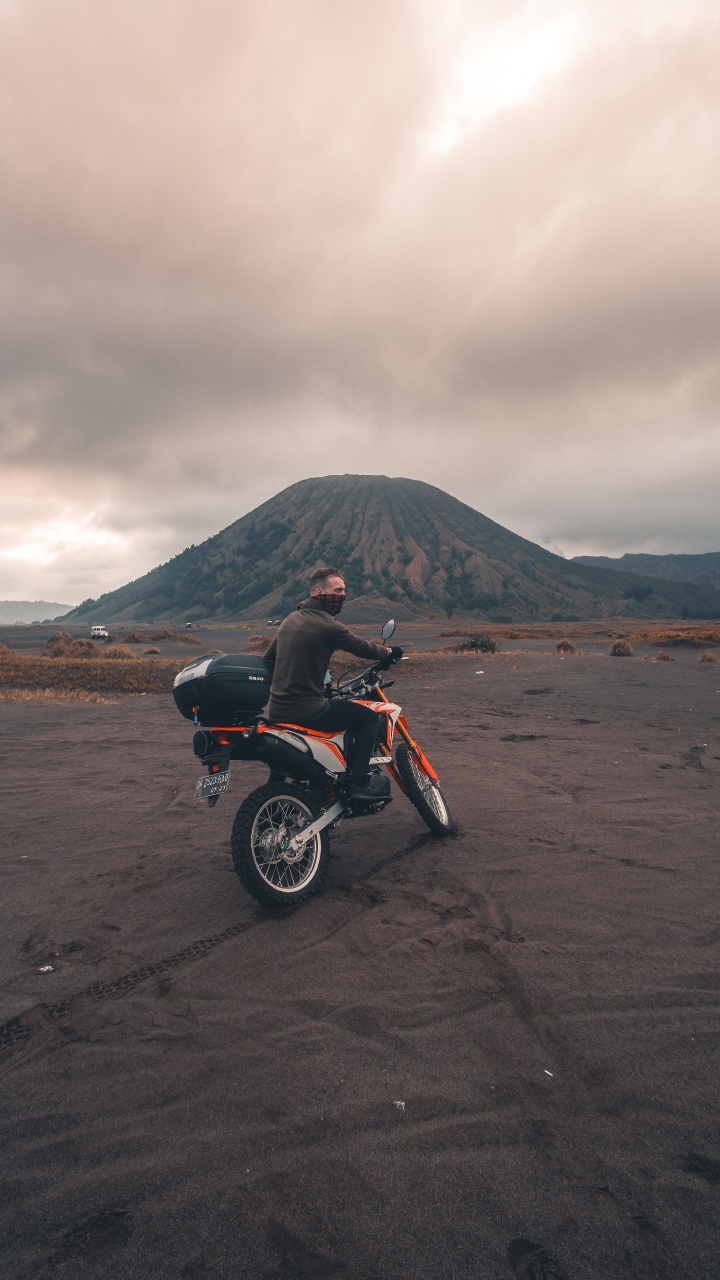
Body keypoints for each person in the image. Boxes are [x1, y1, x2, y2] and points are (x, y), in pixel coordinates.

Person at [262, 567, 403, 800]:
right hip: (307, 709)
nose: (343, 596)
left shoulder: (289, 620)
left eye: (344, 591)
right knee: (368, 719)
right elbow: (363, 648)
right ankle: (359, 785)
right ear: (318, 592)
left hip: (277, 710)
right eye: (338, 590)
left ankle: (276, 792)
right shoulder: (326, 624)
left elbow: (267, 662)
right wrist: (390, 651)